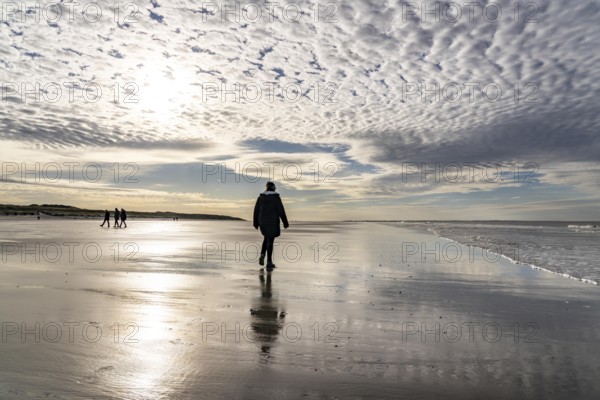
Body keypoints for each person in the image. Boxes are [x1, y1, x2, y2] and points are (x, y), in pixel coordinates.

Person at [253, 181, 289, 269]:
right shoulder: (276, 198)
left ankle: (262, 255)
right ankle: (269, 262)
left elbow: (256, 210)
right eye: (275, 187)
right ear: (273, 188)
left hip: (263, 221)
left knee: (266, 237)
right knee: (270, 240)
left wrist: (255, 222)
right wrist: (285, 222)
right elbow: (281, 210)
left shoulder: (260, 198)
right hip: (272, 221)